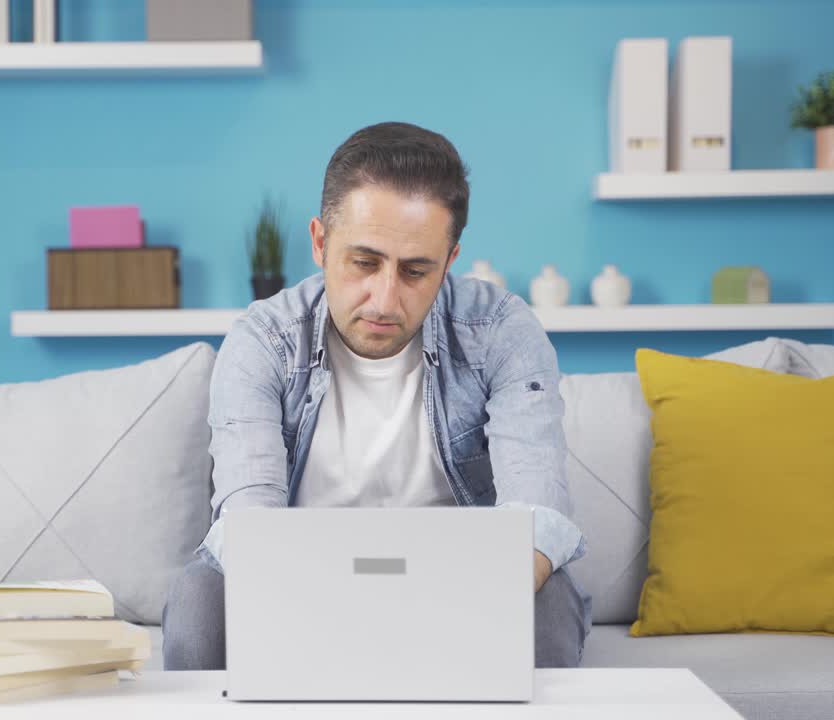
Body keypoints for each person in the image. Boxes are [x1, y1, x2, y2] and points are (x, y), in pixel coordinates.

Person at [162, 121, 591, 670]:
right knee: (198, 600)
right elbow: (248, 525)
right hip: (297, 588)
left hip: (464, 592)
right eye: (364, 263)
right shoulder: (263, 341)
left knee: (549, 601)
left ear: (450, 260)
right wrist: (337, 612)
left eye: (416, 271)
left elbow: (538, 515)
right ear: (320, 242)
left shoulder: (501, 331)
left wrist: (454, 609)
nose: (385, 300)